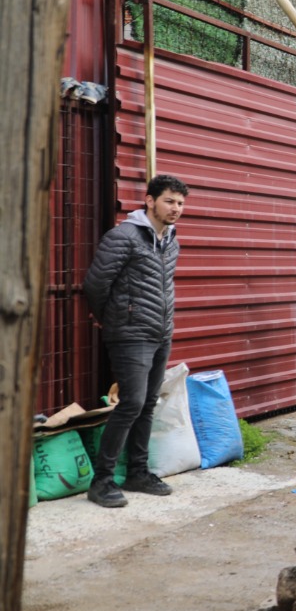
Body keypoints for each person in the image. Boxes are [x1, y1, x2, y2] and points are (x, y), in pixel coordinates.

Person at [81, 174, 189, 508]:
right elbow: (96, 285)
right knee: (131, 403)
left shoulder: (171, 239)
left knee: (148, 403)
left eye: (180, 203)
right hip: (130, 334)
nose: (175, 208)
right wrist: (114, 319)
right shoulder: (124, 236)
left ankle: (138, 473)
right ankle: (101, 481)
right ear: (150, 200)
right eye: (169, 201)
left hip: (160, 332)